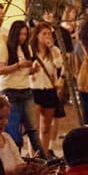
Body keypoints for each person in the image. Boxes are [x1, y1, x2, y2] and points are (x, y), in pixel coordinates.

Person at [0, 20, 44, 159]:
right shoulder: (4, 47)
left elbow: (25, 71)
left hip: (25, 89)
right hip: (9, 90)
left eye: (25, 34)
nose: (22, 37)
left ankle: (41, 157)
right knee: (12, 128)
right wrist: (18, 65)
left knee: (32, 127)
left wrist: (32, 69)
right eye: (20, 34)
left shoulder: (27, 48)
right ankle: (14, 157)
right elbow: (0, 70)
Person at [29, 21, 68, 154]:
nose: (47, 36)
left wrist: (51, 48)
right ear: (37, 35)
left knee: (46, 127)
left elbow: (59, 64)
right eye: (44, 34)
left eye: (49, 34)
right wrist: (31, 70)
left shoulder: (55, 50)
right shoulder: (30, 49)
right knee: (34, 126)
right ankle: (33, 154)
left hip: (49, 89)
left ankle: (44, 153)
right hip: (34, 89)